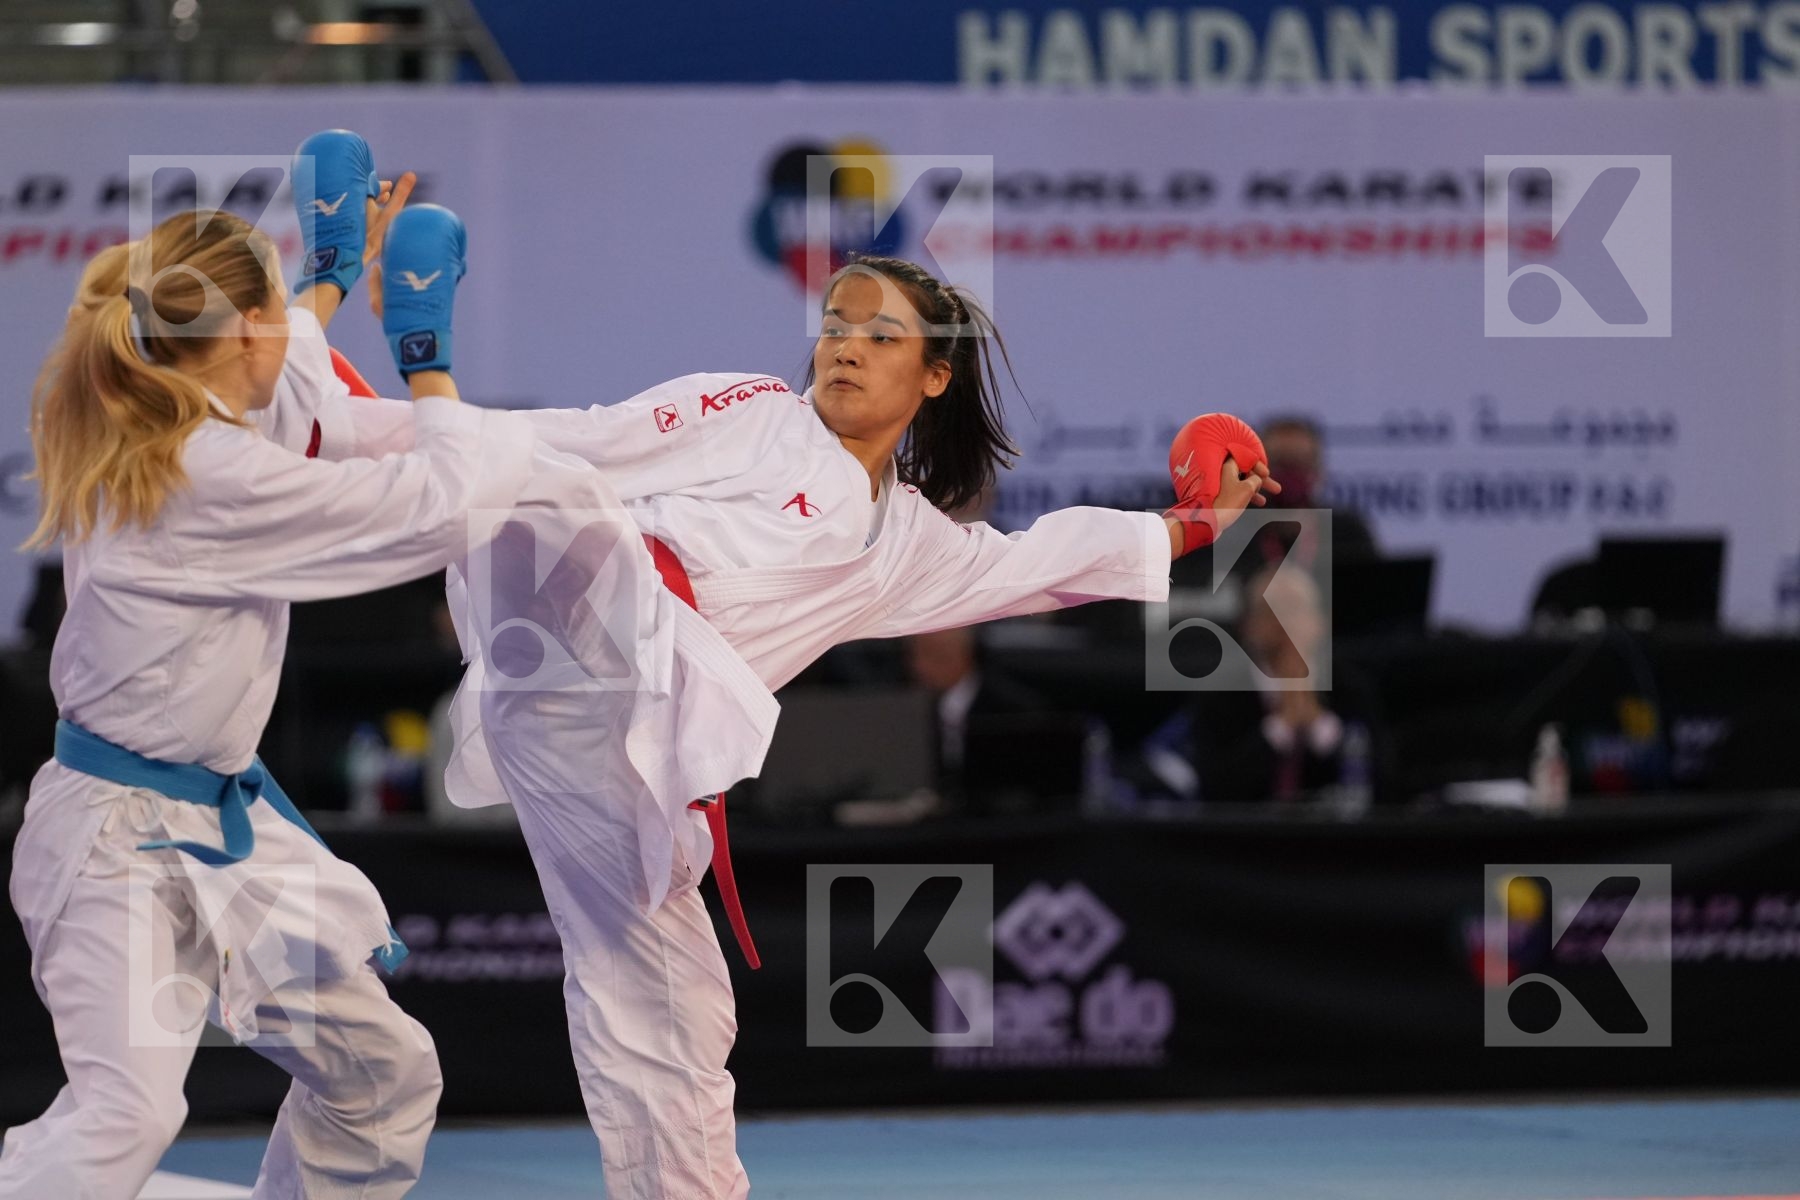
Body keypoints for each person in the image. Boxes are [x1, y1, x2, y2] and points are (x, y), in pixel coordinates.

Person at [417, 256, 1280, 1198]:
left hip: (626, 749)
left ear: (935, 373)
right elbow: (583, 442)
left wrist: (1193, 525)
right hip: (574, 619)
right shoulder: (750, 411)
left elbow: (1034, 565)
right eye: (835, 326)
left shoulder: (907, 545)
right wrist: (429, 431)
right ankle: (391, 388)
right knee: (558, 494)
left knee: (675, 1013)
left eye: (880, 336)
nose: (846, 349)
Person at [0, 130, 548, 1198]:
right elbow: (437, 506)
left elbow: (273, 374)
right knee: (126, 1114)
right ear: (245, 329)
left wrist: (329, 278)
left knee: (379, 1070)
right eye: (278, 322)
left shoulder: (169, 416)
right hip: (117, 847)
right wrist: (425, 351)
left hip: (219, 834)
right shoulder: (204, 472)